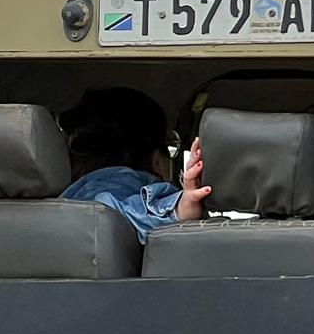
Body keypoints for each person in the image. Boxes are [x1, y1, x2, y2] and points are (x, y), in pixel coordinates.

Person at [58, 88, 207, 239]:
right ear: (156, 158)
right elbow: (110, 213)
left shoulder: (59, 202)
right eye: (169, 146)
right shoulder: (117, 183)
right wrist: (177, 208)